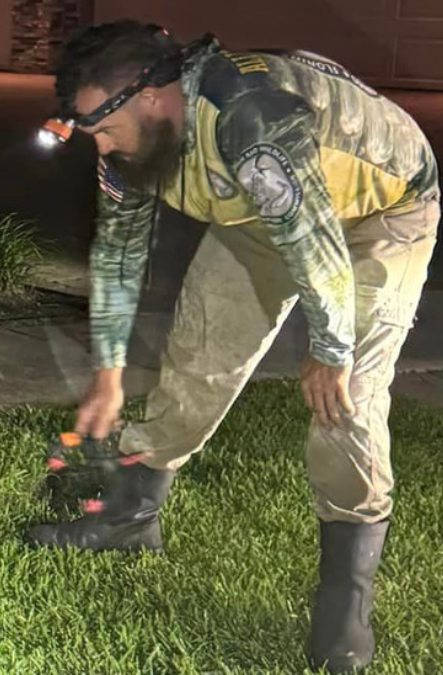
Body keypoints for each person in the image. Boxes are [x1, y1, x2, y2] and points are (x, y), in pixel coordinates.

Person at [22, 20, 439, 675]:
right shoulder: (131, 152)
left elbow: (317, 246)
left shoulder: (250, 121)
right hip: (263, 214)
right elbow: (120, 257)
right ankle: (132, 517)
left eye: (102, 126)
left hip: (380, 215)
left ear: (152, 97)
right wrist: (107, 374)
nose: (96, 144)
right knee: (198, 354)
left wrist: (331, 349)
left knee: (347, 399)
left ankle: (344, 607)